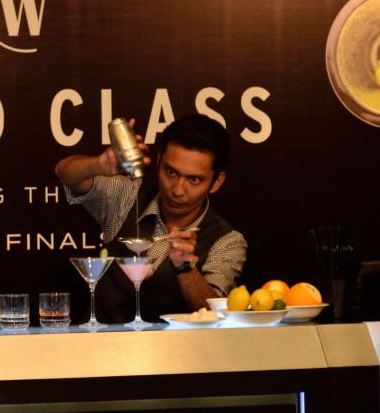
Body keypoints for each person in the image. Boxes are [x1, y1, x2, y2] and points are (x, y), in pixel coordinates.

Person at [55, 113, 246, 322]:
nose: (177, 190)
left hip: (173, 343)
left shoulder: (226, 241)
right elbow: (66, 174)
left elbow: (215, 313)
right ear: (158, 160)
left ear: (217, 181)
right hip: (101, 339)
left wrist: (185, 269)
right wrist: (98, 165)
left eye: (194, 180)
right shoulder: (127, 195)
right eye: (170, 172)